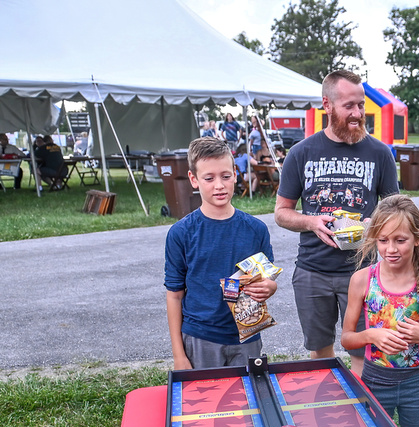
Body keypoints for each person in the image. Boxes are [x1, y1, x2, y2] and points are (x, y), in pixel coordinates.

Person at [274, 69, 399, 375]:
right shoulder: (301, 153)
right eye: (349, 106)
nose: (357, 114)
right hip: (312, 272)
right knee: (320, 351)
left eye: (361, 106)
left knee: (362, 349)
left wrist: (376, 223)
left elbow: (395, 209)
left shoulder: (379, 154)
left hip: (363, 272)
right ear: (327, 105)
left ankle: (361, 412)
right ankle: (326, 409)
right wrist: (310, 222)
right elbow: (281, 212)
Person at [341, 195, 419, 427]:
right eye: (383, 240)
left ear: (417, 238)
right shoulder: (363, 280)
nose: (391, 249)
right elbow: (346, 339)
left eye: (400, 240)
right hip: (375, 379)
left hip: (414, 382)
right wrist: (371, 335)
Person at [164, 136, 277, 370]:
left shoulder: (256, 229)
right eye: (209, 178)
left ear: (235, 174)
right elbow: (174, 295)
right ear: (194, 180)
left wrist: (270, 287)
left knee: (247, 400)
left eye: (226, 176)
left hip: (248, 335)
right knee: (205, 402)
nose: (219, 185)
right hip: (200, 338)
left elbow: (267, 278)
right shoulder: (181, 233)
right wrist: (179, 355)